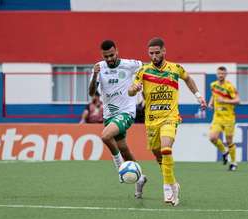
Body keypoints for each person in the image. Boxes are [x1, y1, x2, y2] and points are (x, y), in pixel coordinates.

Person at [128, 37, 207, 206]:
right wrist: (133, 89)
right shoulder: (143, 71)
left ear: (164, 51)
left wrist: (199, 96)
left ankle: (168, 188)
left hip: (170, 117)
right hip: (151, 120)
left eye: (157, 52)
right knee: (159, 157)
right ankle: (173, 182)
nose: (154, 56)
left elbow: (188, 79)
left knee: (165, 149)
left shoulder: (175, 68)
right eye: (151, 53)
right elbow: (130, 91)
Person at [88, 40, 147, 198]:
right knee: (123, 148)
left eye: (112, 55)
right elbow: (92, 93)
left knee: (106, 136)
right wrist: (94, 75)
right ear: (102, 55)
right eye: (106, 56)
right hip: (109, 114)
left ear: (117, 51)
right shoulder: (99, 68)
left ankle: (120, 167)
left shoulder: (129, 64)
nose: (109, 59)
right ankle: (140, 178)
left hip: (127, 112)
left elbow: (147, 68)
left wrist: (139, 84)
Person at [208, 66, 240, 171]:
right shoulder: (213, 85)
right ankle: (224, 152)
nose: (221, 75)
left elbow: (237, 101)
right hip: (217, 117)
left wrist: (225, 101)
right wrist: (211, 103)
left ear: (226, 74)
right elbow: (213, 95)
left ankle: (234, 162)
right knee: (212, 138)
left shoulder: (230, 87)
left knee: (229, 141)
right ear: (217, 74)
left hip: (229, 118)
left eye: (222, 73)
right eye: (219, 73)